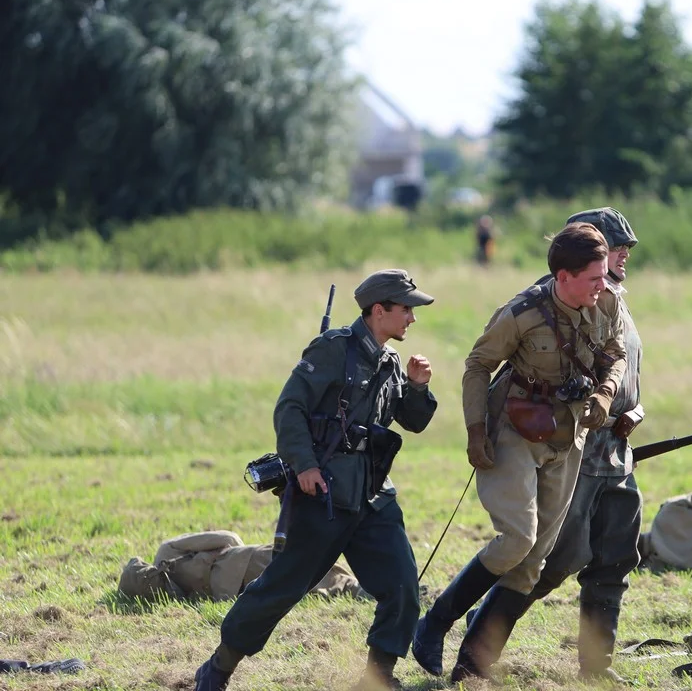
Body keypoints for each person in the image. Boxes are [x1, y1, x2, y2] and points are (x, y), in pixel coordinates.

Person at [194, 269, 439, 691]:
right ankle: (219, 666)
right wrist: (304, 466)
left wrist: (417, 387)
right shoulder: (332, 351)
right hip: (322, 494)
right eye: (406, 310)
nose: (412, 319)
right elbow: (290, 408)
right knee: (282, 589)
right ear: (379, 311)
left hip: (373, 497)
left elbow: (412, 421)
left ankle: (378, 678)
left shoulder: (391, 360)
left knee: (403, 587)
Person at [412, 222, 627, 682]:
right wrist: (475, 431)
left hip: (568, 434)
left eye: (603, 276)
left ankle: (470, 666)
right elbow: (478, 365)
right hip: (513, 427)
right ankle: (435, 622)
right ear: (563, 276)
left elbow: (616, 349)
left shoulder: (607, 300)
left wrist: (606, 391)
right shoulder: (522, 312)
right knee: (517, 539)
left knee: (532, 564)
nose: (602, 285)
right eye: (592, 278)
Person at [465, 207, 644, 683]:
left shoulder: (613, 304)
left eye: (626, 246)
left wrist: (626, 408)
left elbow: (624, 371)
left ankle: (596, 667)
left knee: (615, 557)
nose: (624, 252)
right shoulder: (553, 306)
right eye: (615, 244)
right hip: (571, 443)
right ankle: (479, 641)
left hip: (616, 450)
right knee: (549, 562)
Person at [118, 530, 373, 603]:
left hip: (236, 578)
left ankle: (356, 589)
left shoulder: (168, 580)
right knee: (303, 567)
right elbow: (228, 539)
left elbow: (224, 539)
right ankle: (361, 589)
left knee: (298, 575)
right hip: (241, 567)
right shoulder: (167, 559)